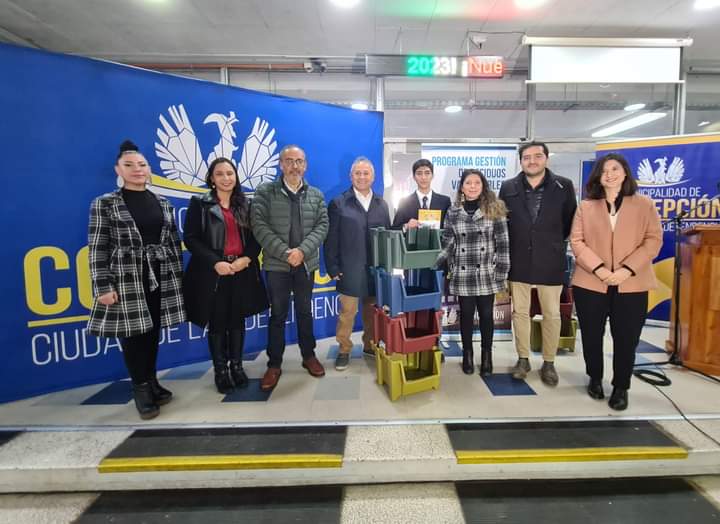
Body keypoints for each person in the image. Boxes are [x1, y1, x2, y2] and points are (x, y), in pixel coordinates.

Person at [87, 140, 185, 420]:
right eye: (129, 165)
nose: (137, 169)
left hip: (160, 274)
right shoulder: (105, 203)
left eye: (141, 165)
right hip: (126, 277)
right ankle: (140, 388)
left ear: (149, 169)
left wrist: (177, 277)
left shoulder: (162, 202)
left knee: (153, 331)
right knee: (132, 336)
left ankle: (152, 380)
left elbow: (172, 241)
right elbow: (97, 248)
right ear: (118, 169)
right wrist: (102, 286)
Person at [570, 153, 662, 411]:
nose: (609, 174)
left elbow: (653, 240)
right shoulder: (586, 207)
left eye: (614, 169)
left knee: (626, 337)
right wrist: (599, 269)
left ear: (625, 173)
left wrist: (626, 270)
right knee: (591, 334)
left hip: (631, 283)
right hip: (590, 282)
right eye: (604, 170)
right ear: (598, 176)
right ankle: (595, 377)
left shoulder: (644, 205)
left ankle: (621, 386)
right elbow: (577, 241)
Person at [183, 158, 269, 394]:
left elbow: (255, 239)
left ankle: (237, 367)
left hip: (241, 271)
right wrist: (215, 262)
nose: (226, 178)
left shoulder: (245, 205)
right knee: (218, 322)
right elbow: (190, 239)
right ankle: (221, 371)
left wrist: (247, 258)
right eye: (220, 174)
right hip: (214, 273)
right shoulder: (199, 204)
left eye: (230, 173)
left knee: (237, 320)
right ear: (212, 178)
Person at [499, 141, 577, 386]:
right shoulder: (508, 186)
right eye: (527, 157)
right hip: (519, 258)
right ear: (520, 161)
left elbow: (569, 221)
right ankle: (523, 359)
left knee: (552, 314)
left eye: (537, 156)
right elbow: (503, 222)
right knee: (520, 312)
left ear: (546, 158)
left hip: (550, 259)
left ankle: (549, 362)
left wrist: (549, 241)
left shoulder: (563, 186)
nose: (532, 161)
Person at [252, 145, 329, 391]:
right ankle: (274, 364)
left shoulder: (315, 195)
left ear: (305, 165)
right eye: (289, 161)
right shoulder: (265, 192)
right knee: (278, 315)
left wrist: (301, 251)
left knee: (305, 312)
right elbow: (259, 225)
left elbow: (322, 226)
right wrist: (286, 253)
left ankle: (309, 356)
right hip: (277, 265)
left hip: (306, 264)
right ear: (280, 164)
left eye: (299, 161)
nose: (294, 166)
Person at [436, 169, 510, 376]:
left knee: (486, 315)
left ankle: (487, 356)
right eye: (468, 183)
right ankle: (467, 355)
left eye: (477, 183)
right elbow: (449, 241)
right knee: (466, 315)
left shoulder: (496, 209)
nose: (473, 186)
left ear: (483, 186)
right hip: (462, 272)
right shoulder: (453, 211)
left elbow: (503, 243)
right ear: (462, 187)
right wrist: (436, 260)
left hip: (487, 271)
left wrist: (502, 271)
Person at [325, 157, 391, 370]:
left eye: (366, 173)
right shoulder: (338, 203)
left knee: (372, 312)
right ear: (350, 176)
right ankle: (344, 349)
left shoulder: (382, 204)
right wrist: (332, 267)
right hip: (349, 268)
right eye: (358, 173)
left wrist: (388, 266)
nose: (362, 177)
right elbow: (331, 238)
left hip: (376, 269)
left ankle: (370, 346)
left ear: (373, 176)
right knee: (347, 313)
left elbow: (388, 236)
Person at [392, 159, 451, 230]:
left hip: (438, 241)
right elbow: (394, 229)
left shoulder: (444, 202)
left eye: (427, 173)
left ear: (432, 176)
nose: (423, 177)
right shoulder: (404, 202)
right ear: (413, 177)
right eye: (419, 173)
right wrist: (406, 226)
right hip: (413, 241)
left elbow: (450, 229)